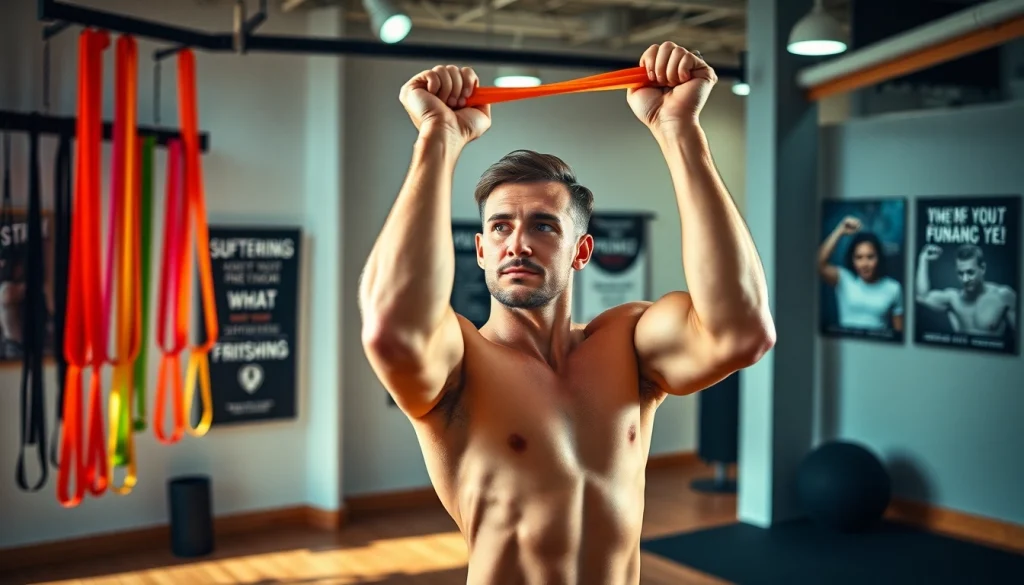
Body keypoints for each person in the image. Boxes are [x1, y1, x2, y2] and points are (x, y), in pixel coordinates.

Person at [358, 41, 775, 585]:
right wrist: (438, 138)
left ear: (581, 251)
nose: (517, 243)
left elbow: (742, 332)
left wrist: (680, 131)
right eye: (500, 227)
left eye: (544, 225)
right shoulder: (460, 363)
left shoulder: (628, 344)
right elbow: (389, 329)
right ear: (480, 250)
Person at [817, 215, 904, 332]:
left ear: (879, 258)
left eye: (870, 257)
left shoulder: (893, 288)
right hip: (845, 342)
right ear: (852, 259)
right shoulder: (844, 279)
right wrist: (840, 230)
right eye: (859, 257)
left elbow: (899, 333)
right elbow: (818, 263)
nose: (864, 264)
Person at [916, 243, 1017, 336]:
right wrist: (923, 259)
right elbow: (922, 296)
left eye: (970, 272)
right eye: (960, 273)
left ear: (982, 268)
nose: (965, 279)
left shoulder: (1003, 296)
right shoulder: (953, 299)